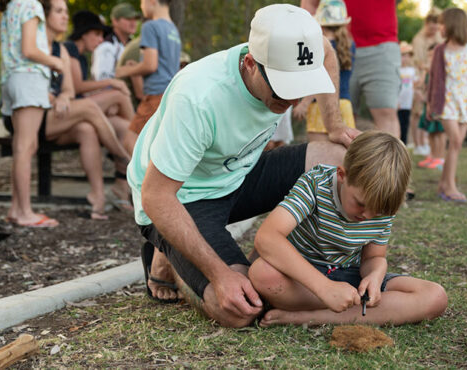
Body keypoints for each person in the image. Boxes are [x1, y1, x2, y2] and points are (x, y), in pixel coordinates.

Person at [129, 4, 358, 328]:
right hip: (181, 196)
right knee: (240, 309)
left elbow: (328, 52)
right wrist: (220, 275)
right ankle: (167, 255)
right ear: (250, 64)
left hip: (238, 173)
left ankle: (318, 258)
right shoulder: (199, 96)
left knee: (342, 160)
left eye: (299, 88)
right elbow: (156, 196)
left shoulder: (298, 50)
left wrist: (334, 124)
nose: (292, 102)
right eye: (283, 91)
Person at [248, 131, 447, 326]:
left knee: (434, 296)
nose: (367, 216)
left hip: (351, 280)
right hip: (303, 277)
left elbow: (373, 258)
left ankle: (308, 317)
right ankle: (351, 310)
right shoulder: (316, 184)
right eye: (360, 204)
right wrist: (324, 288)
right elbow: (267, 237)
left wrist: (375, 275)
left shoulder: (384, 205)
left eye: (378, 213)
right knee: (262, 273)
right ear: (342, 175)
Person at [25, 0, 130, 219]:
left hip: (62, 115)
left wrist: (63, 95)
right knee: (107, 100)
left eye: (65, 11)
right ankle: (125, 159)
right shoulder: (37, 47)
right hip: (36, 116)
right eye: (59, 11)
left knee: (88, 130)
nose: (101, 40)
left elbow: (71, 90)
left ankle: (98, 198)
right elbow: (31, 82)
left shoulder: (62, 49)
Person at [0, 0, 64, 227]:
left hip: (12, 78)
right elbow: (29, 49)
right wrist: (55, 61)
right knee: (25, 147)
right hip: (28, 77)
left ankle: (16, 209)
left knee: (24, 146)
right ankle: (25, 212)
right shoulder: (31, 4)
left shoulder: (11, 6)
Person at [66, 10, 135, 209]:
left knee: (123, 125)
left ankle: (123, 183)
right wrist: (111, 82)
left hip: (82, 107)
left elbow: (80, 92)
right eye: (96, 35)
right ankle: (127, 158)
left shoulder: (82, 57)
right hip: (70, 111)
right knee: (119, 93)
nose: (99, 40)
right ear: (83, 33)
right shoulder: (70, 48)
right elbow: (76, 88)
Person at [301, 0, 401, 137]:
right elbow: (310, 4)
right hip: (332, 45)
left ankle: (390, 159)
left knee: (385, 110)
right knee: (340, 113)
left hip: (381, 45)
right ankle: (342, 158)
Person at [428, 8, 467, 203]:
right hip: (446, 103)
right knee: (455, 142)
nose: (439, 27)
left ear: (453, 25)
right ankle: (451, 186)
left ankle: (443, 185)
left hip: (465, 103)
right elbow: (434, 79)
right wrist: (430, 104)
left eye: (442, 23)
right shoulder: (440, 50)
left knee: (456, 145)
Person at [115, 0, 182, 154]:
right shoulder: (172, 29)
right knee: (156, 144)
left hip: (155, 96)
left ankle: (145, 177)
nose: (141, 6)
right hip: (169, 93)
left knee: (131, 140)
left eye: (142, 2)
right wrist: (136, 67)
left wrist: (124, 71)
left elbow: (150, 65)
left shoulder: (150, 26)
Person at [292, 0, 357, 143]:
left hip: (321, 106)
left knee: (320, 154)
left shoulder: (320, 45)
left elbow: (319, 79)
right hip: (345, 104)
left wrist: (304, 104)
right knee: (343, 154)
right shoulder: (349, 45)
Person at [411, 10, 443, 156]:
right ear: (426, 25)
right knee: (417, 113)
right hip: (421, 78)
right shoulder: (418, 39)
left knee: (430, 115)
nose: (434, 30)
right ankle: (418, 144)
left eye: (436, 27)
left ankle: (427, 144)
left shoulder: (439, 38)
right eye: (431, 27)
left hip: (434, 81)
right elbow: (416, 61)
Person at [91, 3, 139, 81]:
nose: (133, 23)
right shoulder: (106, 46)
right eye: (128, 19)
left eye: (135, 19)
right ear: (115, 21)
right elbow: (102, 79)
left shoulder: (132, 44)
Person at [417, 43, 446, 170]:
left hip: (438, 104)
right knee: (431, 131)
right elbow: (422, 84)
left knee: (440, 131)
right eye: (428, 55)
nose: (430, 58)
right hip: (428, 104)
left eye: (432, 55)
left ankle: (440, 158)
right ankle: (433, 156)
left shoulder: (440, 69)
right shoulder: (429, 70)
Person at [397, 41, 416, 145]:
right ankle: (398, 143)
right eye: (402, 55)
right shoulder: (397, 70)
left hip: (408, 102)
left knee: (405, 124)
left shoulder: (412, 70)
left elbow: (415, 84)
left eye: (407, 55)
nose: (405, 58)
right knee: (398, 123)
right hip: (399, 103)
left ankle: (404, 144)